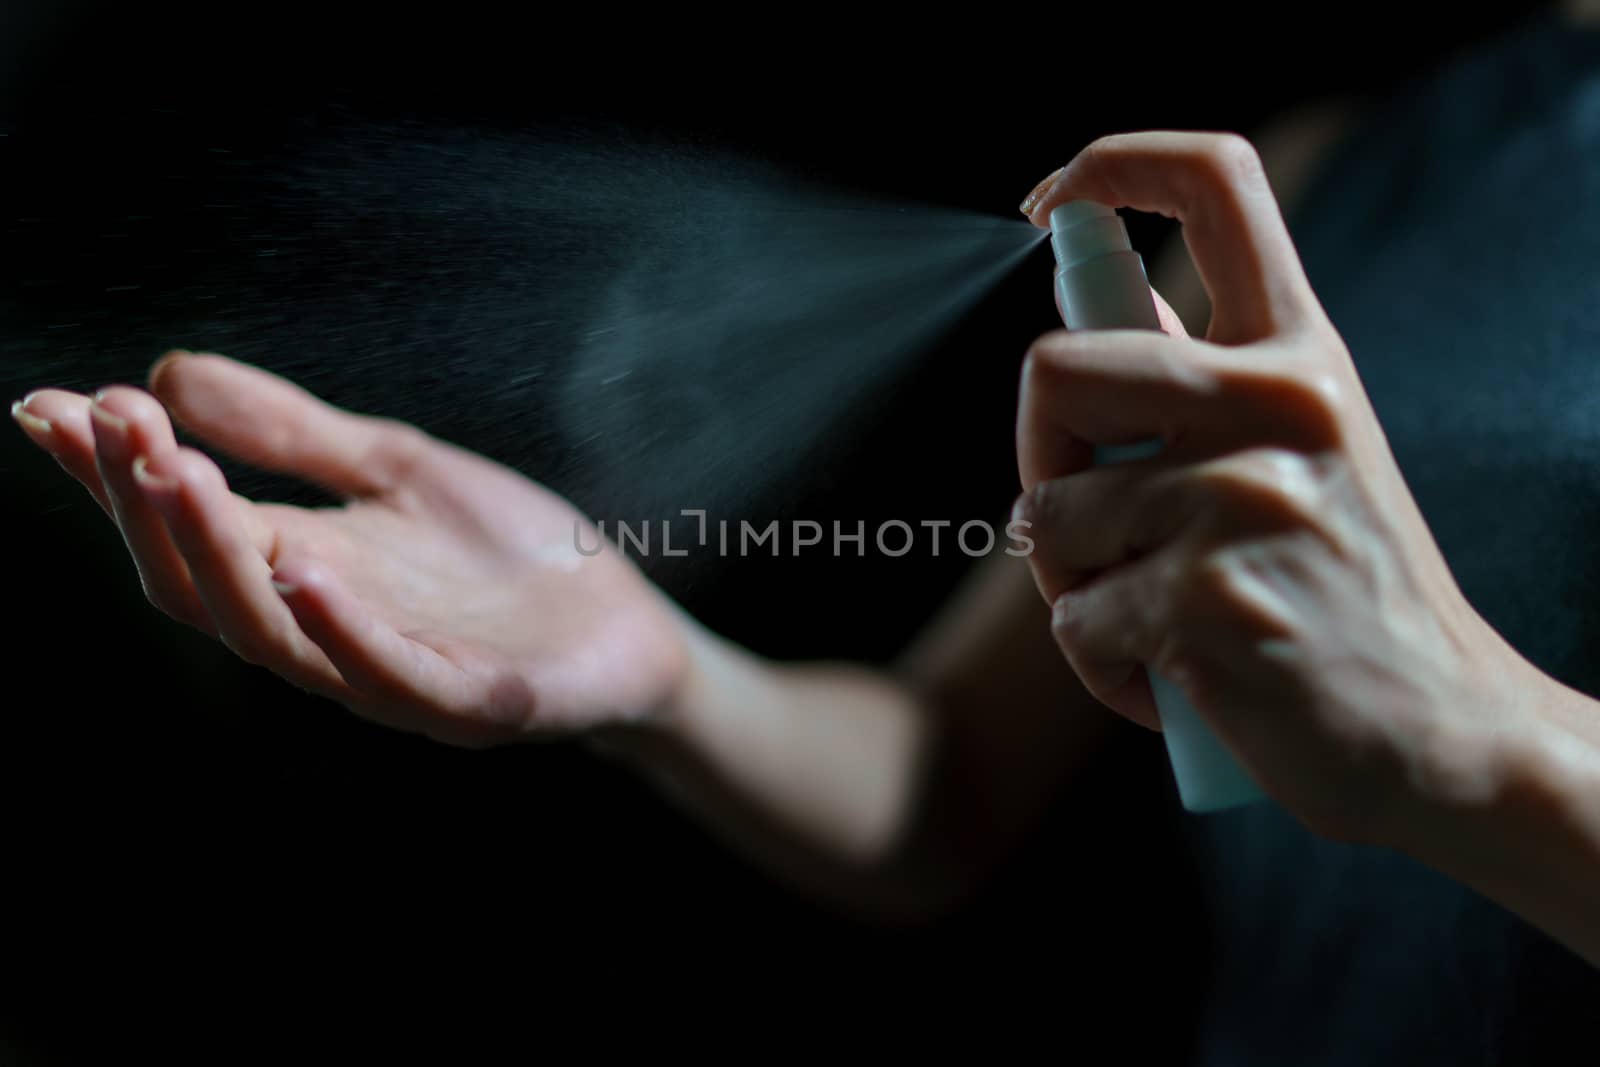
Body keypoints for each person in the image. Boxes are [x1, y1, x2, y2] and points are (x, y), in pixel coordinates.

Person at [11, 7, 1599, 1059]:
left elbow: (1436, 728)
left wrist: (1478, 738)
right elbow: (942, 781)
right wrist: (661, 669)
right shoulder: (1376, 160)